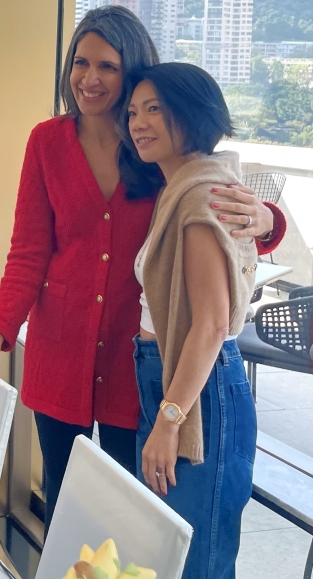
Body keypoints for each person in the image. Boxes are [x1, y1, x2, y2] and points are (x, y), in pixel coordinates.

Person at [0, 6, 285, 534]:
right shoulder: (47, 142)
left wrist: (267, 220)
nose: (89, 79)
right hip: (60, 356)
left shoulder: (156, 142)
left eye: (108, 66)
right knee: (65, 510)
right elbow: (28, 251)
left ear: (133, 73)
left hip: (137, 365)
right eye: (81, 62)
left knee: (130, 521)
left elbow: (213, 196)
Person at [127, 63, 256, 579]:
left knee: (196, 559)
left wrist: (169, 420)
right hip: (170, 376)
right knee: (169, 552)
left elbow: (211, 324)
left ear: (192, 114)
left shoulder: (200, 196)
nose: (139, 123)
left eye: (154, 109)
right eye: (133, 112)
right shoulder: (179, 187)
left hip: (198, 389)